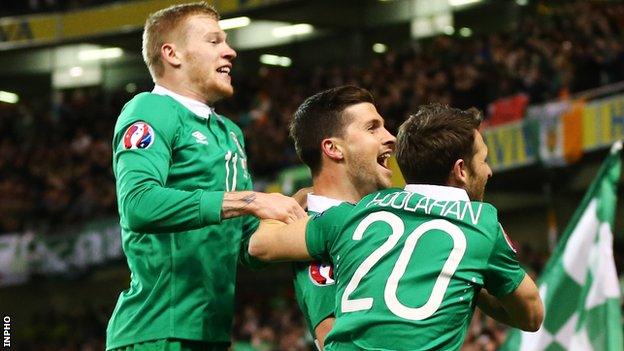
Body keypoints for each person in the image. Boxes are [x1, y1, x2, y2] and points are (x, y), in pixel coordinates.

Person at [248, 103, 544, 350]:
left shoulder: (353, 213)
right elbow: (531, 316)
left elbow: (261, 244)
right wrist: (472, 277)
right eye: (484, 160)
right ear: (462, 170)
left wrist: (287, 202)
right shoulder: (481, 223)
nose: (489, 170)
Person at [106, 2, 305, 351]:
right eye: (214, 41)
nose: (230, 51)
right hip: (157, 333)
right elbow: (138, 204)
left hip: (212, 334)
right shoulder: (150, 108)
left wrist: (305, 212)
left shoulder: (229, 132)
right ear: (173, 54)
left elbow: (247, 246)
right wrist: (253, 199)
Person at [288, 86, 396, 349]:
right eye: (373, 128)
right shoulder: (311, 235)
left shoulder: (379, 216)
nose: (391, 137)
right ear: (334, 148)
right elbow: (334, 338)